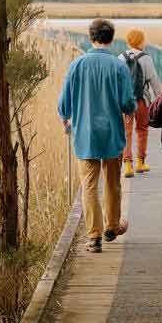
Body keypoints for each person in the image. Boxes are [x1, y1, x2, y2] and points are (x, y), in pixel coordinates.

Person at [58, 18, 137, 253]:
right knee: (113, 182)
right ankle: (112, 225)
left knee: (89, 185)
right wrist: (131, 110)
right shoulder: (118, 66)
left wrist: (66, 117)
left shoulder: (77, 65)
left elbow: (64, 104)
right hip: (112, 133)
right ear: (111, 39)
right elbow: (127, 102)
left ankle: (94, 237)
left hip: (85, 135)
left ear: (91, 37)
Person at [119, 28, 162, 177]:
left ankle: (127, 165)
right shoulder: (146, 58)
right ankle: (140, 162)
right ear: (142, 41)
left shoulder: (121, 58)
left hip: (126, 102)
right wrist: (161, 98)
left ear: (128, 41)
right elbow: (155, 82)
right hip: (142, 101)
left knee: (127, 132)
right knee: (142, 129)